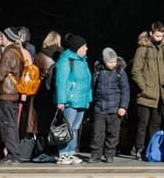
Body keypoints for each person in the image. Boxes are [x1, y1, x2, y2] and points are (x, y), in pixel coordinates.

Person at [54, 34, 92, 165]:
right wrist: (61, 101)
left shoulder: (83, 61)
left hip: (80, 100)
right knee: (67, 128)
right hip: (70, 101)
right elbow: (61, 82)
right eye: (84, 46)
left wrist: (88, 99)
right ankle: (63, 153)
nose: (86, 48)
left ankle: (71, 152)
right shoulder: (65, 61)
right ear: (77, 48)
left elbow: (87, 83)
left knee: (75, 128)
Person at [130, 26, 164, 158]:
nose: (159, 38)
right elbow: (136, 71)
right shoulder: (142, 49)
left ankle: (152, 150)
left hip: (159, 95)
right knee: (142, 125)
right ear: (151, 33)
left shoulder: (163, 49)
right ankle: (139, 149)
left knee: (155, 126)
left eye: (161, 36)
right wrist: (143, 87)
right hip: (145, 95)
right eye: (157, 36)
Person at [91, 47, 129, 163]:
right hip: (99, 107)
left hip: (114, 108)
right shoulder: (98, 70)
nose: (112, 64)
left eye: (114, 61)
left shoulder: (120, 72)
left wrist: (123, 106)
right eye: (110, 62)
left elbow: (125, 90)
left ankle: (110, 153)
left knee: (113, 133)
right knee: (97, 133)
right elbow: (93, 87)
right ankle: (95, 154)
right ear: (104, 61)